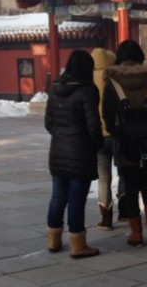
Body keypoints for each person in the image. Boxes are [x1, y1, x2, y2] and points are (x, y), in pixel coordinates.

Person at [102, 40, 147, 247]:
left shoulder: (113, 81)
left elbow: (107, 113)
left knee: (130, 188)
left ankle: (136, 233)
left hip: (125, 142)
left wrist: (117, 133)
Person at [45, 49, 103, 259]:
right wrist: (96, 144)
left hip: (58, 151)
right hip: (80, 153)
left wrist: (62, 136)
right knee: (76, 199)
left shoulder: (55, 88)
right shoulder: (87, 90)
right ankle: (78, 245)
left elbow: (48, 122)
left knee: (58, 197)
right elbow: (93, 126)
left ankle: (53, 240)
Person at [91, 48, 118, 230]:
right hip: (116, 133)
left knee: (103, 178)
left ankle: (106, 218)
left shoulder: (88, 80)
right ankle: (125, 209)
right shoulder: (115, 78)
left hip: (99, 135)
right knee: (124, 172)